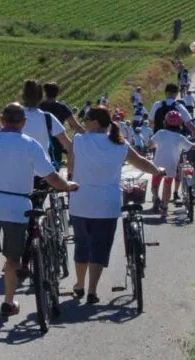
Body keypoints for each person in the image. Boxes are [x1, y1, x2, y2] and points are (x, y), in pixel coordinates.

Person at [0, 102, 78, 322]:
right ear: (23, 123)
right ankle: (8, 302)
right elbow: (52, 178)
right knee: (13, 259)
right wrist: (69, 186)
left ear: (1, 120)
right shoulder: (31, 144)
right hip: (18, 207)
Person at [69, 106, 164, 304]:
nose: (84, 123)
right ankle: (92, 290)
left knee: (82, 245)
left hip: (81, 202)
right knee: (100, 247)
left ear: (95, 122)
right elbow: (140, 162)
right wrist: (157, 171)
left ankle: (79, 283)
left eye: (86, 119)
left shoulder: (79, 141)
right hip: (107, 204)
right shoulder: (120, 144)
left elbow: (70, 162)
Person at [149, 111, 195, 218]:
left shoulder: (160, 133)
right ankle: (164, 208)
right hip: (171, 164)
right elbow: (191, 146)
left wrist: (154, 145)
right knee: (168, 184)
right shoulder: (179, 137)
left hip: (157, 164)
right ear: (180, 124)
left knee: (155, 183)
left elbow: (150, 144)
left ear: (165, 122)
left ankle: (156, 198)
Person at [21, 79, 71, 166]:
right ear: (41, 98)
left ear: (23, 96)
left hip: (18, 170)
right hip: (42, 171)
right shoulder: (47, 118)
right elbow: (68, 145)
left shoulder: (12, 116)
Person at [40, 81, 84, 164]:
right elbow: (76, 126)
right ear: (57, 93)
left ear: (44, 93)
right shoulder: (62, 108)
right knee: (53, 171)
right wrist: (90, 137)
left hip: (40, 142)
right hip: (57, 143)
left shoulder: (39, 107)